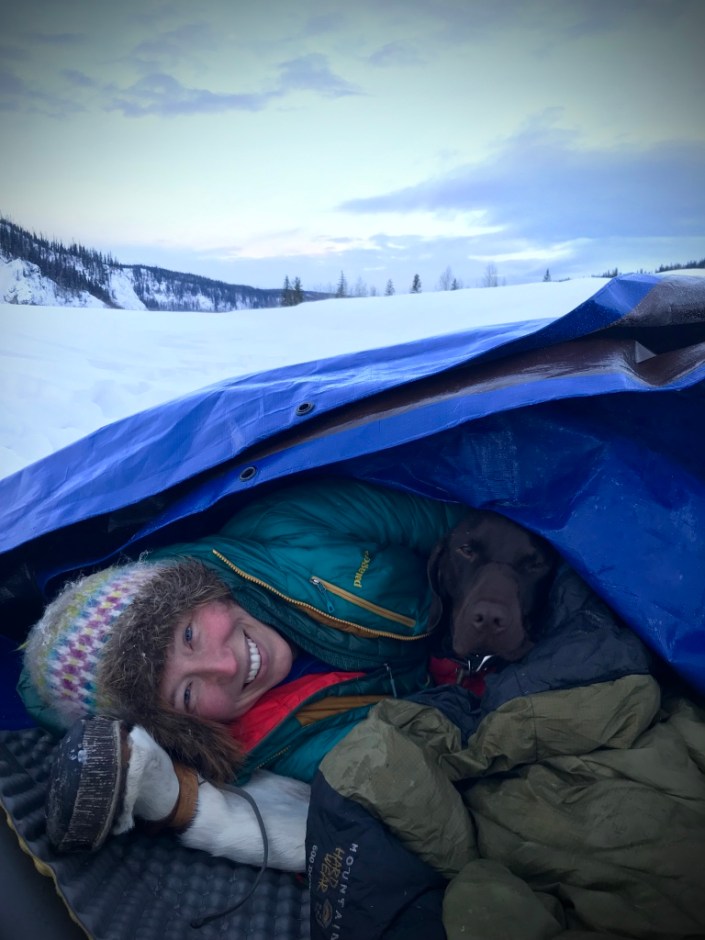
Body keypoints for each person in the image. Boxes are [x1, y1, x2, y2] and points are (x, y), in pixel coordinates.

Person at [21, 476, 466, 869]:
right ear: (186, 726)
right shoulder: (274, 752)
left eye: (190, 635)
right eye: (187, 695)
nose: (227, 665)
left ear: (200, 588)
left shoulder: (288, 526)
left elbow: (465, 526)